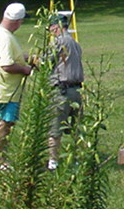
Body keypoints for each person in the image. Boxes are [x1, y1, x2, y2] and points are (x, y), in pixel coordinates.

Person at [0, 2, 33, 167]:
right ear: (17, 21)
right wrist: (25, 70)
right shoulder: (6, 37)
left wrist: (28, 58)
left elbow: (11, 56)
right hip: (6, 91)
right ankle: (0, 159)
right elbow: (7, 65)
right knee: (5, 125)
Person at [47, 14, 84, 170]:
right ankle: (76, 158)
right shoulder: (75, 43)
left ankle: (53, 162)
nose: (50, 32)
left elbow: (46, 61)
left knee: (55, 128)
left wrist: (29, 59)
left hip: (62, 91)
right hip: (76, 90)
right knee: (76, 129)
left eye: (50, 28)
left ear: (56, 26)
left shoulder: (60, 41)